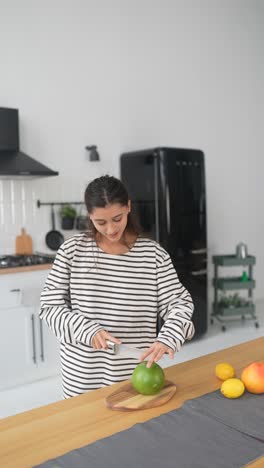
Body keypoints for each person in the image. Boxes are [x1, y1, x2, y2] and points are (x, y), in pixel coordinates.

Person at [40, 175, 194, 398]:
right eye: (101, 222)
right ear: (90, 216)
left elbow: (179, 304)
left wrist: (168, 336)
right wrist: (87, 330)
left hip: (135, 378)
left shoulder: (153, 255)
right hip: (82, 378)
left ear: (128, 207)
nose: (111, 229)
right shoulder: (71, 251)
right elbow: (49, 308)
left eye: (117, 218)